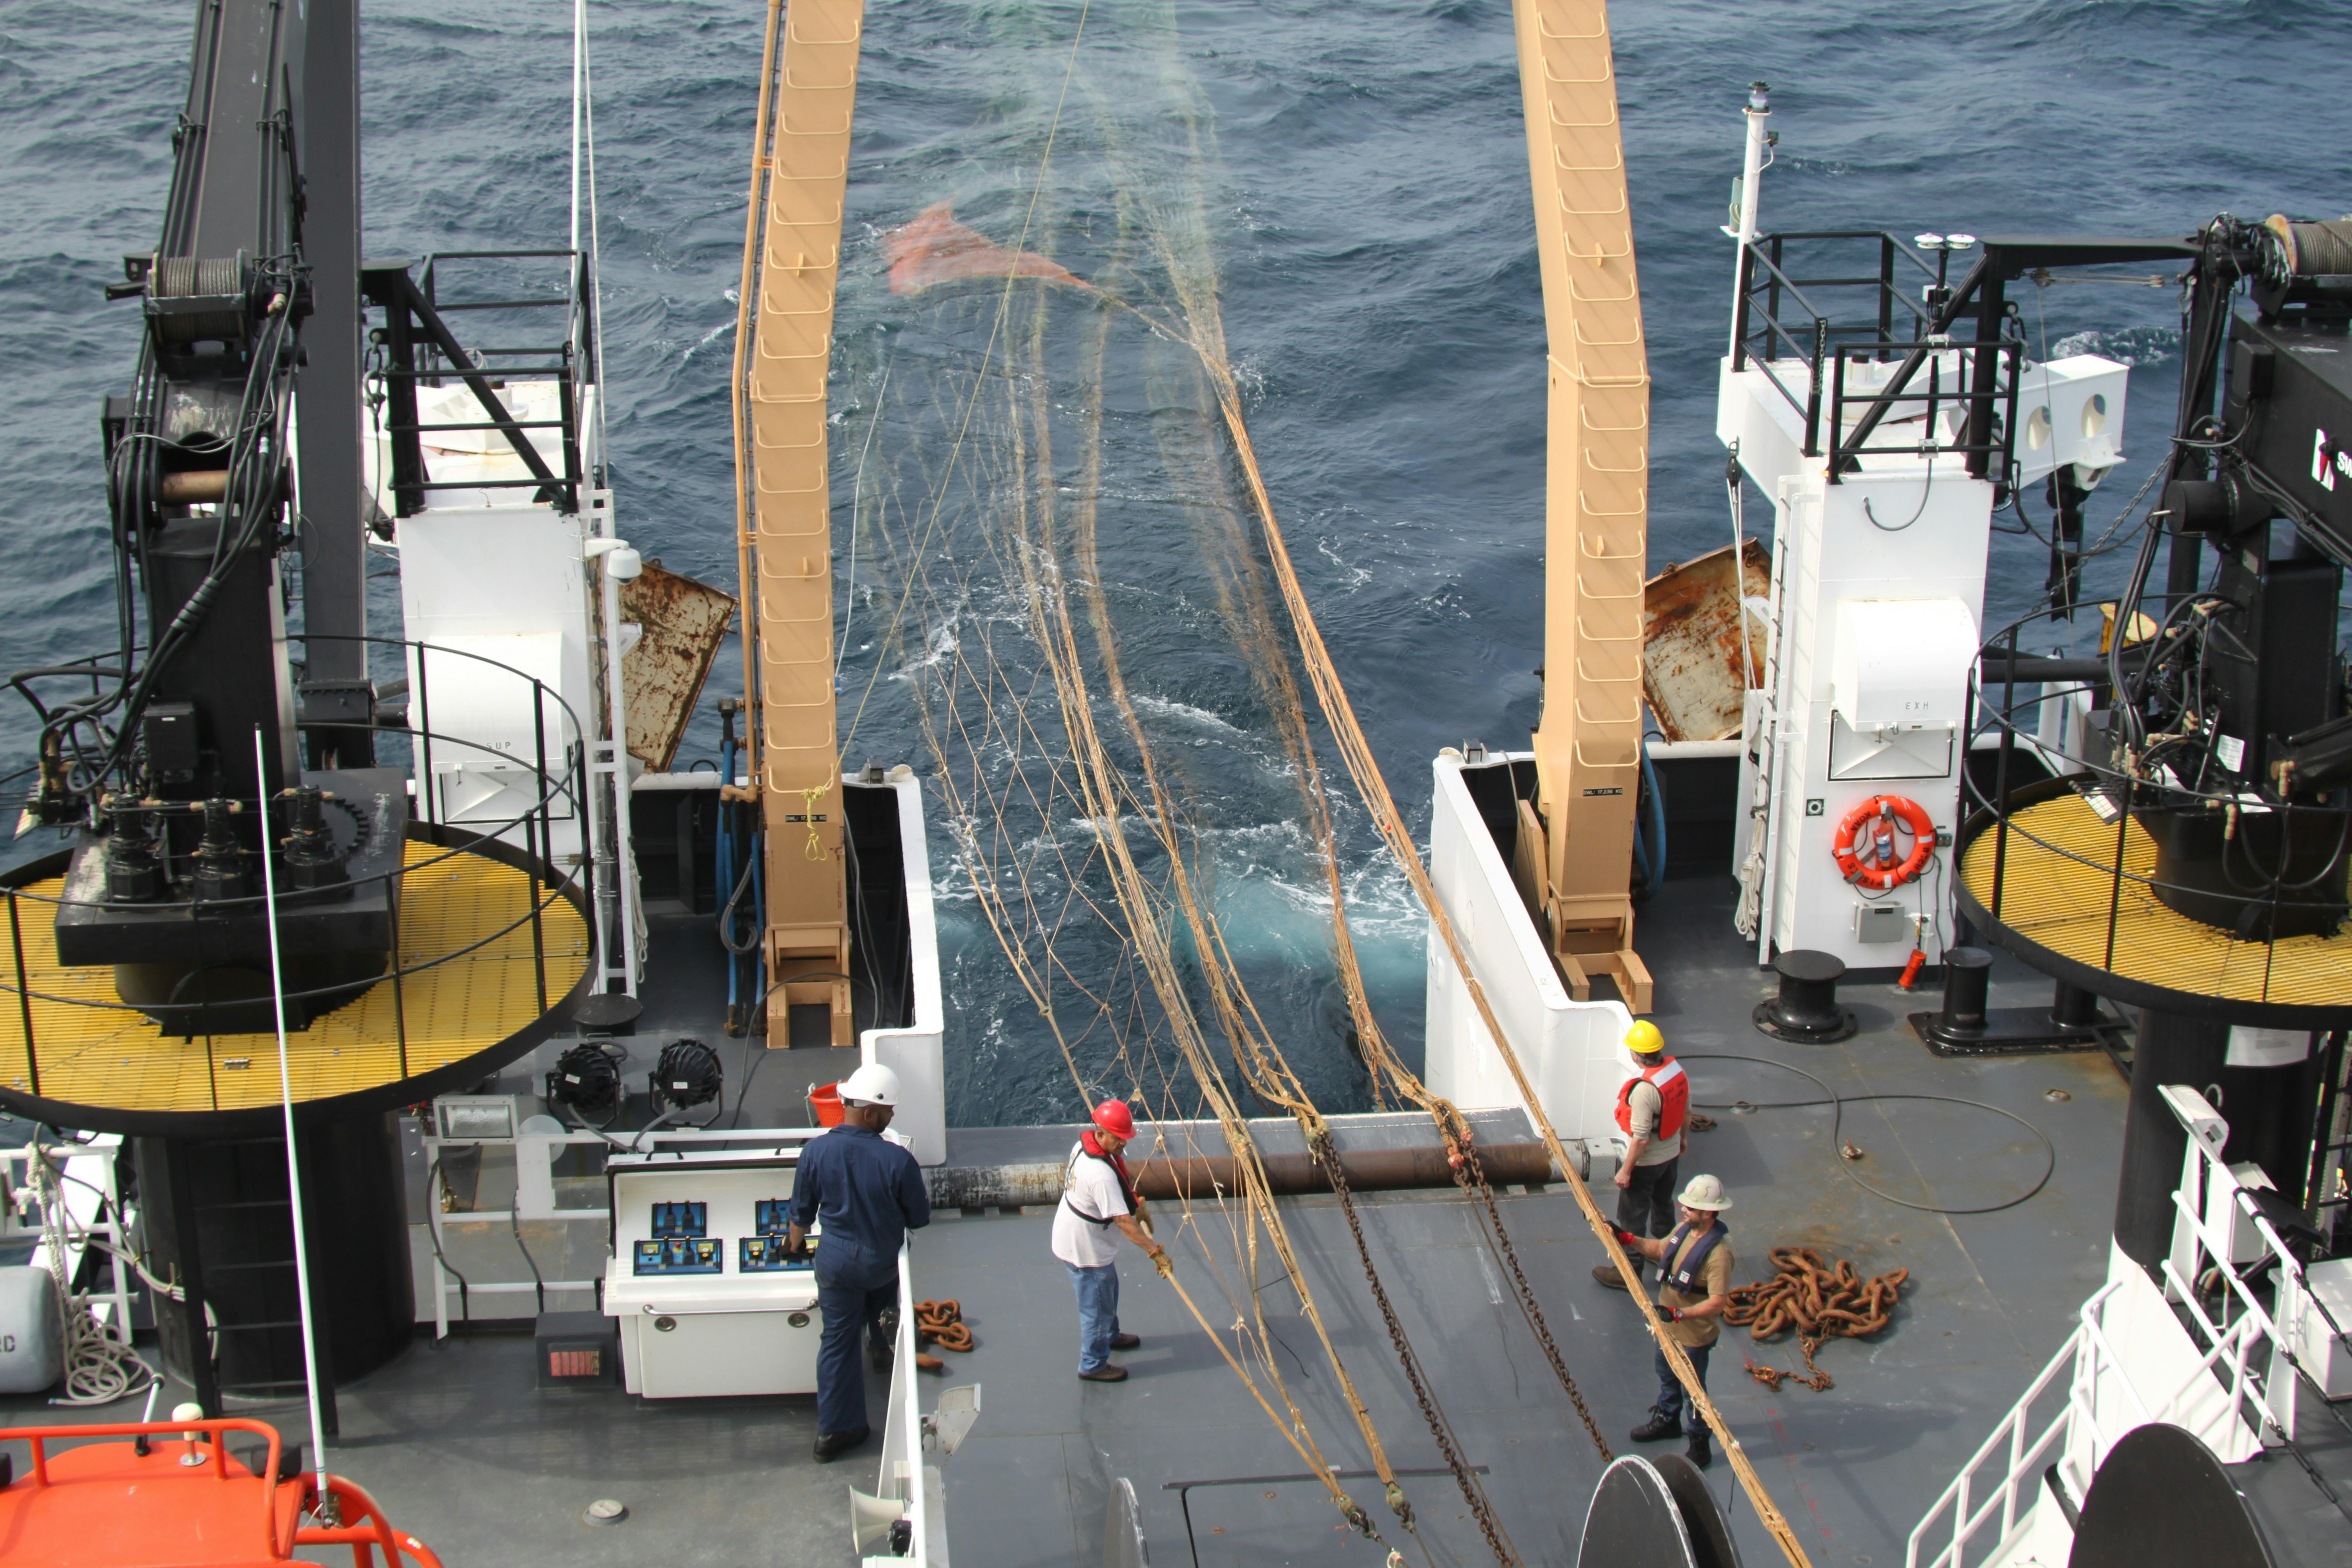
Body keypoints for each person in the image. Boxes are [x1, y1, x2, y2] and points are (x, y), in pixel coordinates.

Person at [785, 1061, 931, 1462]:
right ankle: (881, 1344)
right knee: (882, 1299)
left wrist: (793, 1246)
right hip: (880, 1263)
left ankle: (835, 1432)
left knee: (836, 1342)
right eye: (888, 1111)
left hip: (834, 1263)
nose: (892, 1116)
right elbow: (918, 1218)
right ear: (870, 1114)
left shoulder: (814, 1151)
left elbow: (800, 1216)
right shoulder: (897, 1160)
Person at [1611, 1173, 1734, 1470]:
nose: (1683, 1211)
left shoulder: (1719, 1256)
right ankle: (1668, 1419)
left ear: (1707, 1213)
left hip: (1692, 1335)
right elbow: (1660, 1250)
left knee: (1694, 1390)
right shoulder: (1684, 1232)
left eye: (1690, 1208)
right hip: (1667, 1325)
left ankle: (1699, 1442)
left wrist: (1681, 1314)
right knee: (1666, 1374)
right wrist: (1627, 1238)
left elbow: (1718, 1301)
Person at [1052, 1098, 1171, 1383]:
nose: (1123, 1144)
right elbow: (1124, 1224)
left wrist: (1136, 1205)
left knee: (1108, 1290)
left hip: (1082, 1236)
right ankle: (1092, 1364)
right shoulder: (1100, 1176)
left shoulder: (1083, 1146)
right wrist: (1156, 1253)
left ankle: (1110, 1335)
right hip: (1085, 1248)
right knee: (1096, 1304)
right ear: (1101, 1133)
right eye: (1119, 1138)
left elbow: (1120, 1189)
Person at [1593, 1019, 1688, 1290]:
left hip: (1647, 1164)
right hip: (1670, 1158)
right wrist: (1683, 1141)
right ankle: (1667, 1257)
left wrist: (1626, 1171)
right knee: (1663, 1206)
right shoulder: (1675, 1072)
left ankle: (1629, 1274)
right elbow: (1687, 1112)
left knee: (1632, 1219)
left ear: (1635, 1055)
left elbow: (1641, 1139)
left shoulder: (1645, 1090)